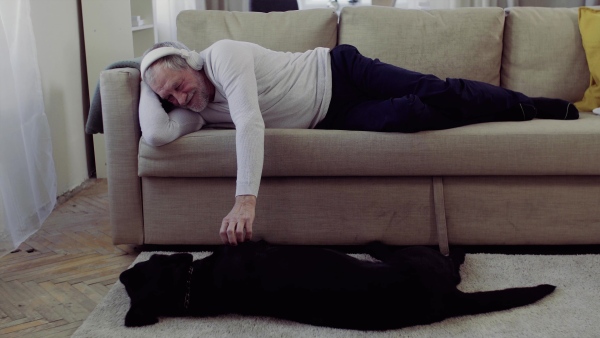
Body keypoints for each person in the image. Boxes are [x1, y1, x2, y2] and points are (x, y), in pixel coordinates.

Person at [138, 39, 579, 246]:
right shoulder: (188, 110)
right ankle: (492, 107)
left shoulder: (221, 56)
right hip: (333, 117)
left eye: (178, 84)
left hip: (340, 71)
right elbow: (157, 135)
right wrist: (145, 79)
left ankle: (530, 105)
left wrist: (245, 201)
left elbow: (249, 122)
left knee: (436, 90)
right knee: (409, 115)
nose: (179, 99)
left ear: (192, 62)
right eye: (167, 97)